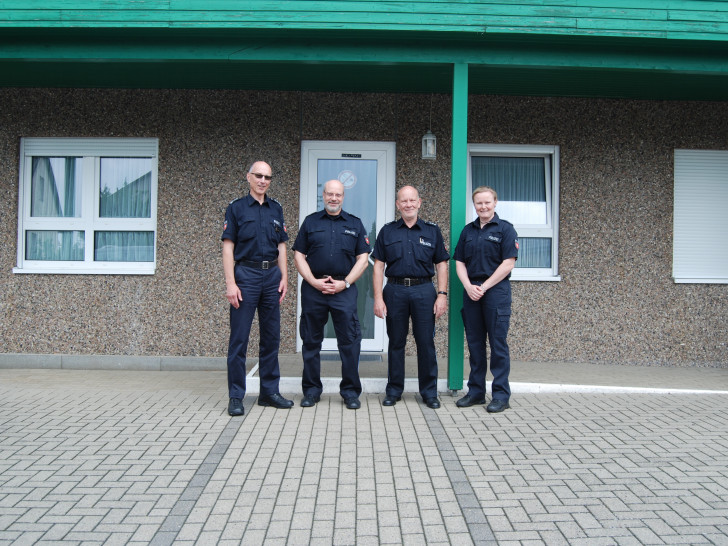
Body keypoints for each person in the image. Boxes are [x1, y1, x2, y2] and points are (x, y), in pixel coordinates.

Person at [221, 161, 294, 416]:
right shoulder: (236, 208)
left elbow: (282, 246)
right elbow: (228, 247)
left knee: (271, 337)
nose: (263, 180)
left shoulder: (276, 208)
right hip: (246, 275)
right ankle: (236, 396)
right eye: (258, 176)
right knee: (239, 339)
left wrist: (284, 277)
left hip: (272, 275)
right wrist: (231, 283)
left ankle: (269, 392)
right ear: (248, 177)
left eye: (267, 177)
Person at [293, 179, 370, 410]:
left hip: (343, 291)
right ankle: (311, 391)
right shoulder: (310, 222)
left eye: (338, 194)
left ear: (343, 197)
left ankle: (350, 392)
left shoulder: (355, 224)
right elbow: (298, 255)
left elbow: (363, 259)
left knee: (349, 342)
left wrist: (344, 283)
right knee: (311, 342)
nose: (333, 198)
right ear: (323, 195)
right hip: (313, 290)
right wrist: (313, 281)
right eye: (329, 194)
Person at [372, 186, 449, 409]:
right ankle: (394, 390)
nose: (408, 204)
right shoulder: (387, 231)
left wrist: (442, 295)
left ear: (419, 202)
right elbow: (378, 266)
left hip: (424, 291)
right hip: (394, 291)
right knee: (396, 342)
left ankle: (429, 392)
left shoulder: (432, 231)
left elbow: (442, 264)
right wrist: (378, 297)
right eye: (403, 201)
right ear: (398, 205)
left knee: (425, 342)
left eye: (412, 200)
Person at [453, 186, 518, 413]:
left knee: (498, 345)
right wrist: (468, 286)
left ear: (495, 203)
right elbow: (459, 261)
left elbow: (508, 262)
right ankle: (476, 392)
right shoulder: (467, 231)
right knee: (475, 344)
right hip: (471, 292)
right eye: (479, 203)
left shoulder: (505, 229)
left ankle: (501, 395)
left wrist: (484, 286)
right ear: (474, 205)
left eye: (487, 202)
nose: (483, 206)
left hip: (496, 292)